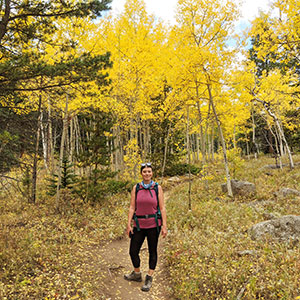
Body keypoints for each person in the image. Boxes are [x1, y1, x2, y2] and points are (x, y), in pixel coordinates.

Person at [124, 162, 167, 292]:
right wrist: (128, 224)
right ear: (141, 173)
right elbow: (132, 207)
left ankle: (149, 277)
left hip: (154, 225)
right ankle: (137, 274)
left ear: (152, 173)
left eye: (149, 171)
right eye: (144, 171)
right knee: (133, 251)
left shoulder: (157, 188)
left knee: (152, 250)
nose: (147, 174)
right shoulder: (136, 188)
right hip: (139, 225)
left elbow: (162, 207)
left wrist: (164, 225)